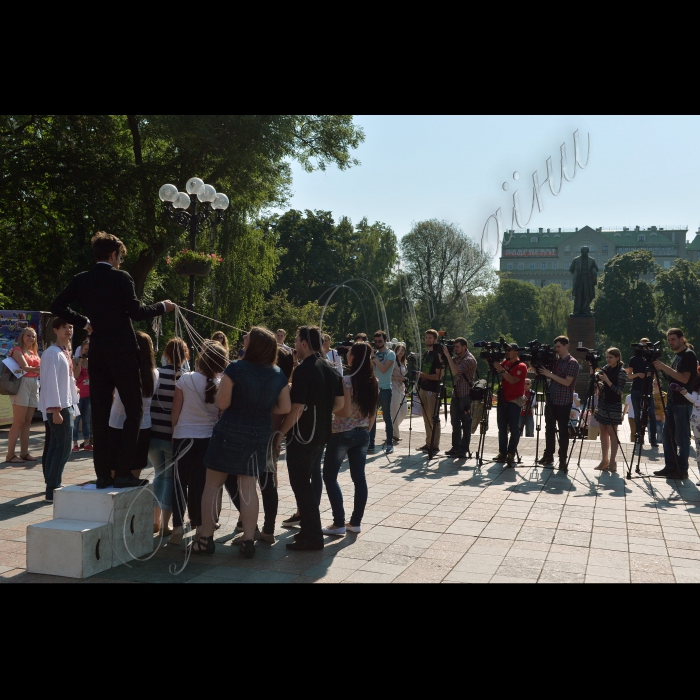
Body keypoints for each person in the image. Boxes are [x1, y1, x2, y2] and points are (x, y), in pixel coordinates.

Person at [50, 231, 175, 488]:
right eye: (120, 257)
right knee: (135, 410)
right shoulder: (121, 278)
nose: (120, 262)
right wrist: (163, 306)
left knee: (100, 412)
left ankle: (103, 474)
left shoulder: (82, 279)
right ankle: (124, 473)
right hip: (123, 351)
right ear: (113, 254)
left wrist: (85, 323)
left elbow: (57, 305)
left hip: (97, 352)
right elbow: (136, 312)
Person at [195, 328, 291, 556]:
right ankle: (249, 540)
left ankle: (205, 538)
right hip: (259, 433)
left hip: (229, 430)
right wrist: (265, 410)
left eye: (248, 336)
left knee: (212, 484)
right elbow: (285, 407)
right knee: (248, 488)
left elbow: (223, 403)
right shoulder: (278, 374)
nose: (244, 337)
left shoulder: (235, 368)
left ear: (255, 344)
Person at [276, 326, 344, 551]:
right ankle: (308, 531)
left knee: (301, 484)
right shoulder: (331, 368)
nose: (294, 345)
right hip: (322, 434)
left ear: (304, 343)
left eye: (296, 341)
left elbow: (296, 408)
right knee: (308, 483)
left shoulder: (305, 369)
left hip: (304, 435)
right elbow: (340, 404)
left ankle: (312, 536)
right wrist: (321, 411)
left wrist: (280, 433)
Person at [169, 341, 228, 546]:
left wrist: (174, 431)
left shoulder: (185, 379)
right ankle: (201, 526)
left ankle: (177, 527)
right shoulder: (220, 384)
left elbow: (176, 409)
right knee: (201, 485)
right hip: (208, 438)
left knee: (179, 483)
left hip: (184, 436)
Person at [322, 341, 378, 536]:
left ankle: (338, 522)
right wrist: (364, 431)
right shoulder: (373, 381)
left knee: (329, 476)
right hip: (362, 433)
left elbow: (344, 411)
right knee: (359, 478)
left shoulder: (345, 381)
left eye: (349, 353)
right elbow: (372, 413)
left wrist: (327, 410)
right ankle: (355, 522)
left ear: (353, 357)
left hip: (342, 433)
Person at [38, 318, 81, 502]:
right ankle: (52, 487)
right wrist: (55, 409)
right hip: (59, 407)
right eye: (64, 327)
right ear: (55, 330)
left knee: (57, 447)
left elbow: (66, 379)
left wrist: (73, 391)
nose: (68, 330)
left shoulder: (64, 352)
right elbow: (50, 382)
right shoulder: (51, 354)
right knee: (62, 448)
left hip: (66, 404)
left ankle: (53, 484)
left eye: (70, 327)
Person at [149, 337, 188, 536]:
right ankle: (165, 524)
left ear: (165, 354)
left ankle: (154, 521)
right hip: (174, 435)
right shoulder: (185, 377)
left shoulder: (156, 374)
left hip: (154, 433)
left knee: (158, 475)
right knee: (171, 479)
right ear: (185, 356)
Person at [108, 332, 158, 483]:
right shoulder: (154, 373)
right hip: (143, 425)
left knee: (114, 472)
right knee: (135, 473)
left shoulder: (120, 369)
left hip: (117, 423)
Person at [653, 328, 698, 479]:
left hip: (682, 403)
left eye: (673, 339)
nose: (670, 342)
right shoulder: (677, 356)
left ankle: (682, 469)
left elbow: (684, 379)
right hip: (672, 401)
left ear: (681, 338)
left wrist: (663, 366)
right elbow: (673, 377)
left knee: (682, 437)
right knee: (667, 436)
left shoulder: (689, 355)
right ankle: (670, 466)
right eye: (668, 340)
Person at [536, 335, 580, 470]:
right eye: (555, 347)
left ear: (566, 346)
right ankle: (548, 455)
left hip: (563, 401)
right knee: (549, 429)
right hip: (551, 399)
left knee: (562, 431)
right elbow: (543, 372)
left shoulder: (572, 362)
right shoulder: (556, 361)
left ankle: (562, 459)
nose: (556, 350)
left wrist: (550, 375)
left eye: (559, 347)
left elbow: (567, 382)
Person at [5, 328, 41, 464]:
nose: (31, 338)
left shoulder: (34, 352)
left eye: (33, 336)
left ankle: (24, 453)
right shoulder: (17, 351)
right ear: (22, 336)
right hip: (21, 383)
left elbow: (37, 370)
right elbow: (25, 368)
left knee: (27, 421)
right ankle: (10, 455)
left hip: (34, 383)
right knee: (18, 421)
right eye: (28, 335)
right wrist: (44, 369)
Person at [591, 348, 626, 472]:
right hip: (603, 403)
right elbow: (596, 376)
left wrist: (607, 381)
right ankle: (604, 460)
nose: (608, 359)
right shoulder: (606, 368)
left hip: (614, 405)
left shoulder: (621, 372)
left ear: (617, 358)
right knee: (603, 432)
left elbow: (619, 391)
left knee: (612, 433)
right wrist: (599, 381)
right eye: (607, 357)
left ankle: (613, 461)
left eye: (611, 357)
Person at [440, 338, 477, 458]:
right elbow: (446, 365)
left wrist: (448, 356)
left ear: (464, 347)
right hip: (456, 393)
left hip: (465, 394)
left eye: (457, 347)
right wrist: (443, 355)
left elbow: (455, 371)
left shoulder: (469, 359)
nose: (455, 349)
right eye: (454, 347)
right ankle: (455, 447)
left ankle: (463, 448)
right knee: (455, 421)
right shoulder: (458, 358)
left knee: (466, 422)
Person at [493, 343, 527, 465]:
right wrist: (491, 360)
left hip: (514, 401)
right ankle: (502, 452)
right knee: (501, 428)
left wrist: (501, 369)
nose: (506, 352)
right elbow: (495, 370)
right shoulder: (505, 362)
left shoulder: (522, 366)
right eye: (505, 350)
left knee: (514, 428)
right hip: (503, 399)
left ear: (516, 352)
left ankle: (511, 452)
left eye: (509, 350)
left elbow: (512, 380)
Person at [416, 329, 444, 453]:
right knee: (426, 418)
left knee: (434, 418)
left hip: (433, 390)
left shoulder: (438, 355)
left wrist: (423, 375)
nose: (428, 340)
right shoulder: (427, 353)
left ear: (435, 339)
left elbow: (439, 376)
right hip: (423, 388)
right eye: (426, 337)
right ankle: (428, 443)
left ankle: (435, 445)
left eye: (430, 338)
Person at [626, 338, 658, 447]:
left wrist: (651, 374)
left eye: (646, 346)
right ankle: (639, 436)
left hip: (648, 389)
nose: (644, 348)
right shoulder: (634, 359)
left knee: (651, 413)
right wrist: (638, 374)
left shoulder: (651, 359)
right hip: (636, 388)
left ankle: (653, 438)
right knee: (637, 413)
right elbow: (629, 375)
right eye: (642, 346)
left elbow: (655, 373)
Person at [368, 330, 396, 454]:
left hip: (385, 389)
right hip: (373, 388)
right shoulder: (372, 354)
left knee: (386, 417)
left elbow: (384, 369)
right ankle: (371, 443)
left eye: (380, 341)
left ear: (385, 340)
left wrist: (373, 357)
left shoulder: (390, 354)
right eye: (376, 341)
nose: (378, 343)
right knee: (371, 416)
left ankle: (389, 443)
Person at [677, 375, 700, 485]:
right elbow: (693, 399)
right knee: (699, 449)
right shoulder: (697, 387)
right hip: (696, 420)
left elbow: (696, 402)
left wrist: (696, 402)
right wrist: (685, 393)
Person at [71, 340, 92, 453]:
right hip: (78, 395)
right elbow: (76, 375)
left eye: (89, 350)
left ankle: (87, 442)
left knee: (86, 420)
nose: (87, 352)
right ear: (81, 350)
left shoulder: (92, 361)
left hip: (89, 395)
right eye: (85, 350)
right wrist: (80, 361)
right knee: (76, 420)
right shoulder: (75, 361)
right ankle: (74, 443)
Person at [390, 342, 408, 443]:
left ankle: (391, 428)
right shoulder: (393, 362)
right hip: (394, 388)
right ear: (395, 351)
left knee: (404, 411)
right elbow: (388, 375)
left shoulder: (403, 362)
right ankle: (395, 435)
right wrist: (399, 378)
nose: (400, 352)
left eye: (402, 350)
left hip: (402, 389)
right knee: (395, 412)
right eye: (398, 350)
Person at [653, 378, 666, 445]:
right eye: (654, 384)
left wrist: (663, 416)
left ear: (660, 385)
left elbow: (666, 407)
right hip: (651, 418)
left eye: (657, 384)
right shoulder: (650, 395)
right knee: (651, 435)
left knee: (660, 435)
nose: (655, 385)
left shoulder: (665, 395)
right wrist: (654, 415)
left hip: (661, 418)